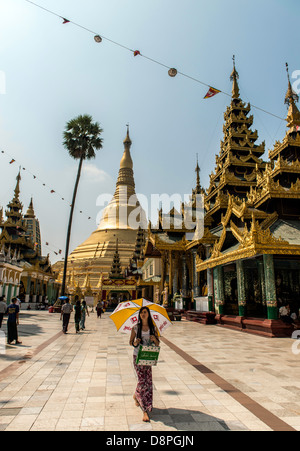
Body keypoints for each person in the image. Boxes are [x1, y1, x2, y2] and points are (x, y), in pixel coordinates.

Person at [129, 306, 160, 423]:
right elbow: (130, 342)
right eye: (141, 312)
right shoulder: (136, 328)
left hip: (149, 356)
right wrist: (135, 342)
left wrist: (154, 339)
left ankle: (137, 395)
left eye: (145, 312)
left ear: (148, 314)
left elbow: (158, 343)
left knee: (148, 381)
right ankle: (145, 410)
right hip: (138, 356)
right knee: (142, 380)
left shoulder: (153, 328)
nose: (143, 314)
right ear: (139, 315)